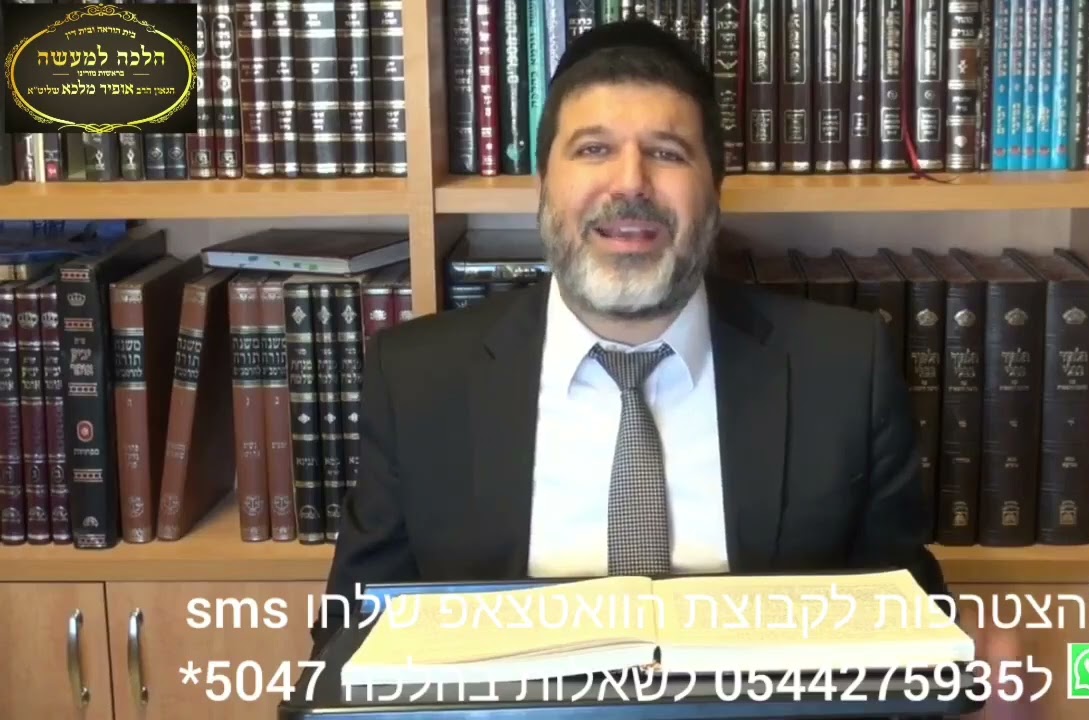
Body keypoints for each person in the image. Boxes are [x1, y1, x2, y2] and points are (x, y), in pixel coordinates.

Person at [315, 18, 942, 662]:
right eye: (593, 149)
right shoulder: (417, 380)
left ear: (715, 192)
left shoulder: (843, 371)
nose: (631, 183)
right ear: (543, 185)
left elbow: (909, 638)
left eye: (667, 153)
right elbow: (351, 639)